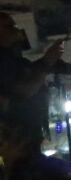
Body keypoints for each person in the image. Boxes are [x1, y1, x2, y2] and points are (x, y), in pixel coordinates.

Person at [0, 13, 64, 147]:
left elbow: (29, 73)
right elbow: (24, 90)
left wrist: (48, 62)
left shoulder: (15, 60)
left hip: (25, 133)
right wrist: (47, 62)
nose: (16, 31)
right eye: (10, 27)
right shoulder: (4, 62)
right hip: (15, 138)